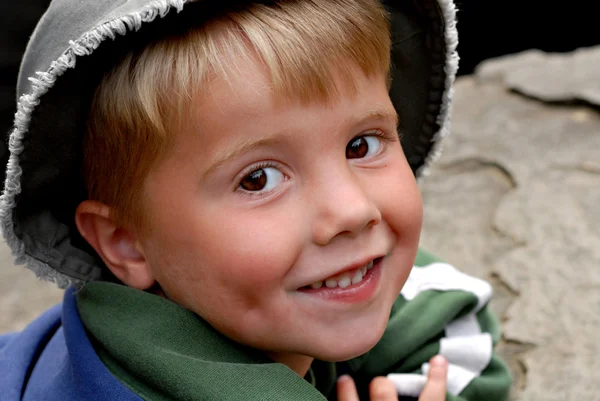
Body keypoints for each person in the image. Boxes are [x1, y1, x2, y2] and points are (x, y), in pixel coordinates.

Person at [0, 0, 512, 400]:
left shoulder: (294, 287)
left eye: (361, 145)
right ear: (127, 242)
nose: (352, 211)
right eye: (259, 179)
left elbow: (451, 320)